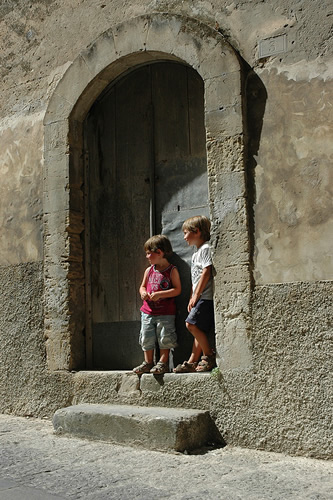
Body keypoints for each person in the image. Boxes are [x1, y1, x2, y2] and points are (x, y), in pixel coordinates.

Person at [133, 235, 181, 375]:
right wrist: (143, 293)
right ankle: (148, 363)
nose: (147, 256)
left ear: (160, 252)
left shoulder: (172, 270)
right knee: (146, 337)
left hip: (166, 313)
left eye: (149, 253)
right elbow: (142, 287)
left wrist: (160, 294)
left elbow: (178, 289)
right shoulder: (149, 270)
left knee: (165, 337)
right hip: (147, 312)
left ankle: (163, 363)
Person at [173, 215, 216, 373]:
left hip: (205, 297)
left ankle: (208, 355)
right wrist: (192, 296)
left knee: (190, 325)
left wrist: (196, 295)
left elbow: (206, 271)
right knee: (198, 329)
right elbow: (195, 279)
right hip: (198, 298)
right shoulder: (195, 254)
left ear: (196, 232)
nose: (184, 237)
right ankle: (192, 361)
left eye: (186, 233)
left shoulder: (205, 249)